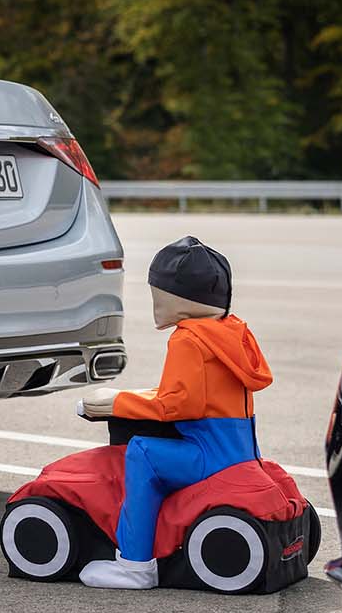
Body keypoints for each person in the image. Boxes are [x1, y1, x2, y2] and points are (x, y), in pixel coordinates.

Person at [75, 236, 272, 590]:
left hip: (207, 455)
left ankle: (134, 565)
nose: (154, 302)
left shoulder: (188, 339)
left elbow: (177, 405)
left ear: (180, 300)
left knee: (142, 453)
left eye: (157, 294)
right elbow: (193, 394)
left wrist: (114, 404)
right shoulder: (231, 332)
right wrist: (130, 396)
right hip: (238, 450)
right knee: (151, 445)